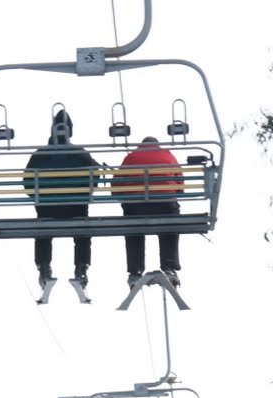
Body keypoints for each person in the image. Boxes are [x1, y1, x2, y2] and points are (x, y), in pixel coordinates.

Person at [24, 108, 103, 291]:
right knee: (82, 230)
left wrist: (41, 198)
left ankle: (44, 266)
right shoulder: (81, 153)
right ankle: (81, 267)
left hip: (47, 210)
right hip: (76, 208)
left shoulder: (39, 154)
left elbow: (27, 182)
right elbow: (95, 178)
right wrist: (84, 194)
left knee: (43, 230)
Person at [113, 136, 183, 288]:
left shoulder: (130, 158)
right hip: (165, 206)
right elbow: (180, 186)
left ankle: (135, 271)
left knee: (133, 229)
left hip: (136, 208)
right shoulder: (169, 156)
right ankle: (169, 266)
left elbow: (116, 188)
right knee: (170, 226)